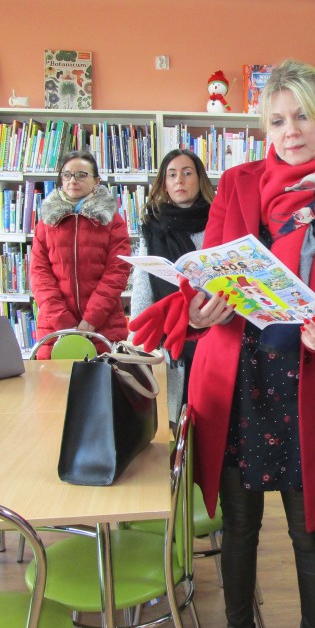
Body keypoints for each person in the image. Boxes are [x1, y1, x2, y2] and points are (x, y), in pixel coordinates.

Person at [128, 59, 315, 628]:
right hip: (237, 382)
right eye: (276, 120)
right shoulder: (238, 185)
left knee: (308, 532)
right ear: (263, 127)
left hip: (309, 384)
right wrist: (200, 307)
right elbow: (203, 277)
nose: (290, 131)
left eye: (302, 117)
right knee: (238, 528)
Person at [129, 148, 213, 423]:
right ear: (163, 183)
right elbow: (143, 285)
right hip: (170, 339)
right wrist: (138, 343)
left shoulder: (217, 221)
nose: (180, 180)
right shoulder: (152, 227)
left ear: (199, 179)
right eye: (172, 175)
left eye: (187, 173)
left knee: (211, 416)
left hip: (213, 333)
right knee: (175, 417)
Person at [30, 150, 131, 359]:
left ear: (96, 181)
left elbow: (117, 272)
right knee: (54, 379)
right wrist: (64, 323)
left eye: (81, 175)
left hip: (103, 326)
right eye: (67, 175)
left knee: (105, 378)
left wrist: (91, 320)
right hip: (55, 328)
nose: (72, 180)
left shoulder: (112, 221)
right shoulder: (46, 222)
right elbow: (39, 274)